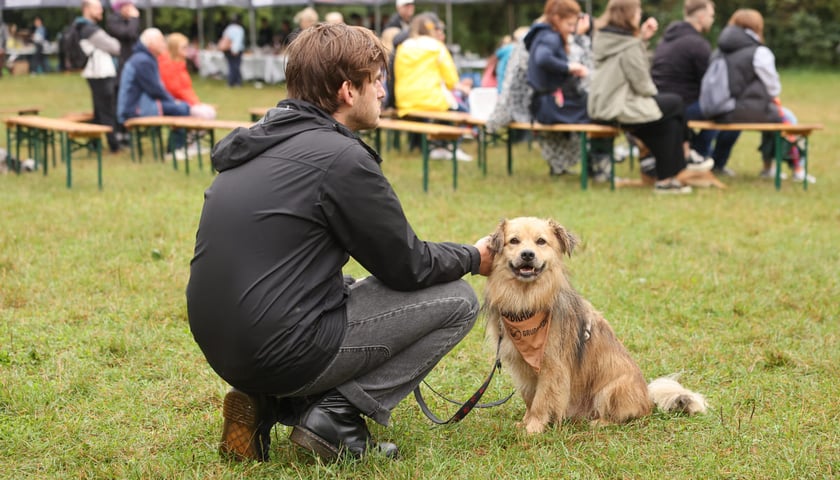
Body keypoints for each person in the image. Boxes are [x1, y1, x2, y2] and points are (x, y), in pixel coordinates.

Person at [185, 22, 492, 463]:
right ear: (349, 90)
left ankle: (269, 401)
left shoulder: (256, 142)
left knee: (343, 282)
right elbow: (408, 267)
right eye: (378, 80)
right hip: (279, 347)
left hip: (223, 346)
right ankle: (334, 417)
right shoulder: (342, 159)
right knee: (457, 299)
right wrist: (474, 256)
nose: (384, 91)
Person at [588, 0, 714, 194]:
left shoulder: (606, 37)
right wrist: (655, 95)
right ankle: (686, 155)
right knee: (675, 103)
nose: (640, 15)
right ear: (628, 15)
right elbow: (642, 83)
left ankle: (666, 180)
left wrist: (642, 39)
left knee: (667, 123)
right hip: (618, 105)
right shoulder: (628, 44)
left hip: (601, 105)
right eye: (638, 12)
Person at [711, 9, 814, 183]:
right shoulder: (759, 52)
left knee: (753, 118)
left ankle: (718, 164)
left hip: (721, 109)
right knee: (785, 117)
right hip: (750, 110)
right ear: (757, 27)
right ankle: (795, 169)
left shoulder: (719, 51)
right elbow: (773, 87)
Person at [651, 0, 739, 176]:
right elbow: (709, 84)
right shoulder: (697, 45)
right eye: (711, 16)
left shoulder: (666, 39)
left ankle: (693, 152)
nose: (712, 20)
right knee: (726, 111)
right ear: (701, 16)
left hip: (659, 103)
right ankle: (707, 158)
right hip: (681, 106)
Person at [394, 13, 472, 161]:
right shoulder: (437, 47)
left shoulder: (403, 47)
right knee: (460, 110)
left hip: (405, 101)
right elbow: (451, 80)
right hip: (430, 100)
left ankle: (421, 145)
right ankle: (447, 146)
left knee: (433, 111)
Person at [74, 0, 122, 153]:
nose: (101, 11)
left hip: (96, 73)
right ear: (87, 9)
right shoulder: (89, 29)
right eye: (97, 8)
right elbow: (115, 47)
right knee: (107, 109)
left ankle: (95, 143)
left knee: (99, 109)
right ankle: (113, 144)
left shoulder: (83, 27)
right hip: (99, 73)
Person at [116, 28, 190, 125]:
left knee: (182, 107)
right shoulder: (143, 61)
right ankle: (180, 140)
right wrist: (172, 101)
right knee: (183, 108)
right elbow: (155, 89)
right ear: (151, 44)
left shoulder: (143, 58)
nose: (164, 44)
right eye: (162, 41)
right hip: (133, 109)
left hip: (138, 105)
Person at [157, 32, 216, 119]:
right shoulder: (167, 65)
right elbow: (175, 89)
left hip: (186, 101)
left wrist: (195, 102)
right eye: (183, 47)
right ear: (175, 48)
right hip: (177, 103)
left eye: (187, 47)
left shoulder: (180, 64)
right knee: (204, 114)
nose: (187, 49)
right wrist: (193, 103)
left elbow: (186, 88)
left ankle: (194, 132)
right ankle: (192, 132)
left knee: (210, 112)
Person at [106, 0, 140, 77]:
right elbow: (129, 34)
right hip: (120, 62)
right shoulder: (113, 20)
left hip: (130, 59)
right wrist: (134, 19)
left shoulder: (129, 20)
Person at [220, 14, 245, 87]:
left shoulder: (228, 28)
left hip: (227, 50)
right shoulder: (239, 29)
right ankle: (236, 82)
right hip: (236, 50)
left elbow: (224, 38)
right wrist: (235, 50)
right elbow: (238, 41)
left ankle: (233, 82)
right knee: (236, 66)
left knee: (231, 66)